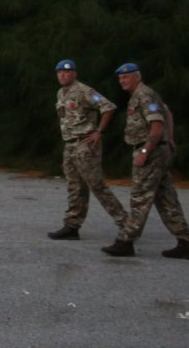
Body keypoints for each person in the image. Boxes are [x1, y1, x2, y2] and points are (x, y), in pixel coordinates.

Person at [101, 63, 189, 259]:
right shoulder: (145, 95)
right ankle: (185, 242)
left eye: (126, 77)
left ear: (137, 77)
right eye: (120, 78)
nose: (122, 81)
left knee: (140, 197)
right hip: (158, 150)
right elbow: (167, 113)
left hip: (150, 153)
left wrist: (145, 150)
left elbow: (156, 124)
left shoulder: (143, 95)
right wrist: (169, 139)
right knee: (166, 199)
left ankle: (125, 242)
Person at [47, 59, 126, 240]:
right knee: (75, 187)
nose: (63, 75)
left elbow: (108, 107)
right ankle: (72, 225)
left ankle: (127, 224)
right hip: (70, 143)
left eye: (67, 72)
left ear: (74, 74)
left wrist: (99, 131)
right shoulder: (61, 93)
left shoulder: (84, 91)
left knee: (97, 185)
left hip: (85, 143)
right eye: (59, 72)